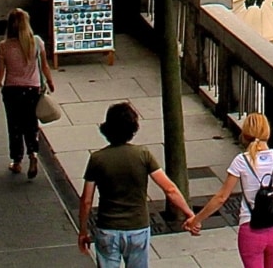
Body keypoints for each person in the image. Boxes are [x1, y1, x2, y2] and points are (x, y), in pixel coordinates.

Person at [79, 102, 197, 268]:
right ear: (132, 129)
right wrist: (189, 214)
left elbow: (86, 201)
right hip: (137, 227)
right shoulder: (143, 155)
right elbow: (169, 189)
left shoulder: (97, 159)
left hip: (108, 228)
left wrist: (83, 230)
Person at [185, 112, 273, 266]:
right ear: (268, 132)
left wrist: (196, 220)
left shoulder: (241, 162)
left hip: (250, 230)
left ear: (245, 134)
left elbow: (221, 197)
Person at [0, 7, 55, 178]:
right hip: (32, 89)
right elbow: (44, 66)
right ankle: (33, 155)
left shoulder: (4, 47)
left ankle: (17, 160)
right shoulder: (36, 42)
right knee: (31, 124)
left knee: (15, 126)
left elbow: (0, 72)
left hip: (12, 90)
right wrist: (49, 81)